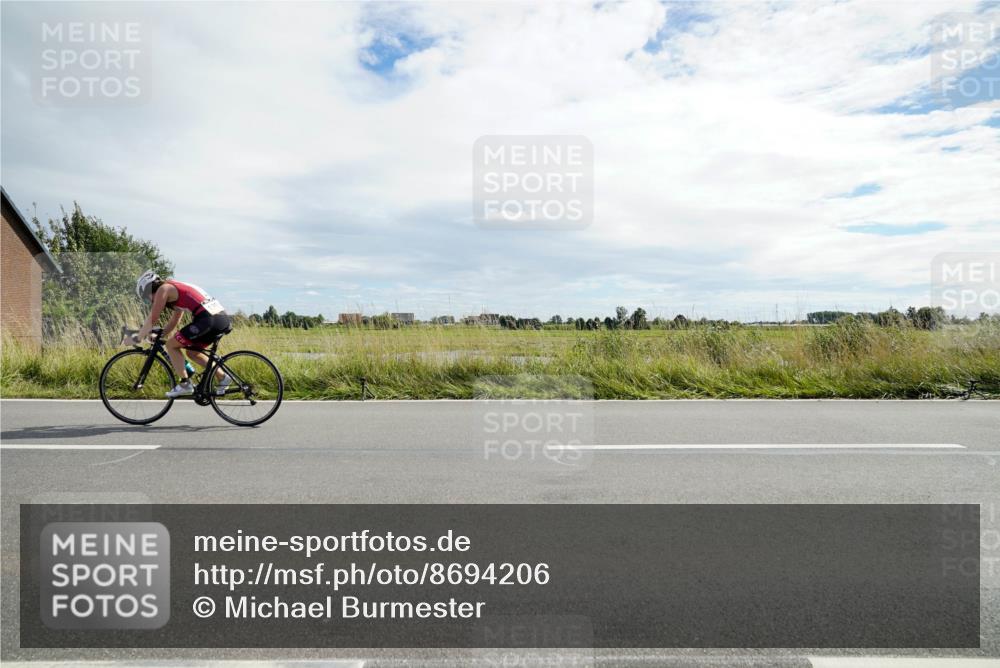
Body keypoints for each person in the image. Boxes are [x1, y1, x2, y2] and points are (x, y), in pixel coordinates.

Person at [134, 270, 233, 398]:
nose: (150, 301)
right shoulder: (174, 289)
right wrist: (161, 335)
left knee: (171, 345)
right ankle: (223, 377)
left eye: (147, 298)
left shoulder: (163, 289)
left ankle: (185, 384)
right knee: (192, 352)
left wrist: (138, 337)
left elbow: (153, 318)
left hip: (208, 319)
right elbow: (175, 320)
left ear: (149, 289)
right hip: (219, 319)